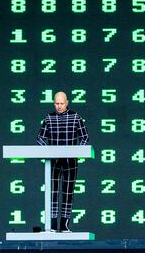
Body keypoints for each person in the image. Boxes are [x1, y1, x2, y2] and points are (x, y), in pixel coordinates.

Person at [36, 91, 89, 232]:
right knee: (52, 192)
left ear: (67, 103)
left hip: (70, 162)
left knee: (68, 192)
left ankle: (65, 224)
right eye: (56, 103)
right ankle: (52, 224)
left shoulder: (76, 117)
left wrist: (77, 153)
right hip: (53, 163)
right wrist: (47, 152)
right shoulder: (49, 118)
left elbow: (85, 137)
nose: (58, 106)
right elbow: (40, 138)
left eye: (61, 103)